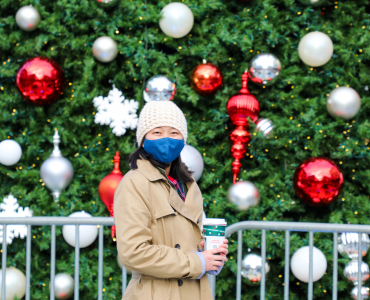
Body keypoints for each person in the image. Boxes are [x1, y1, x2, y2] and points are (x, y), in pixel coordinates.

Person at [113, 100, 228, 300]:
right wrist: (197, 262)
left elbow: (187, 244)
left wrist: (210, 254)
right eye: (157, 132)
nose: (166, 139)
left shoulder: (188, 184)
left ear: (183, 139)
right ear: (143, 140)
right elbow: (133, 252)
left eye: (174, 132)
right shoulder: (134, 183)